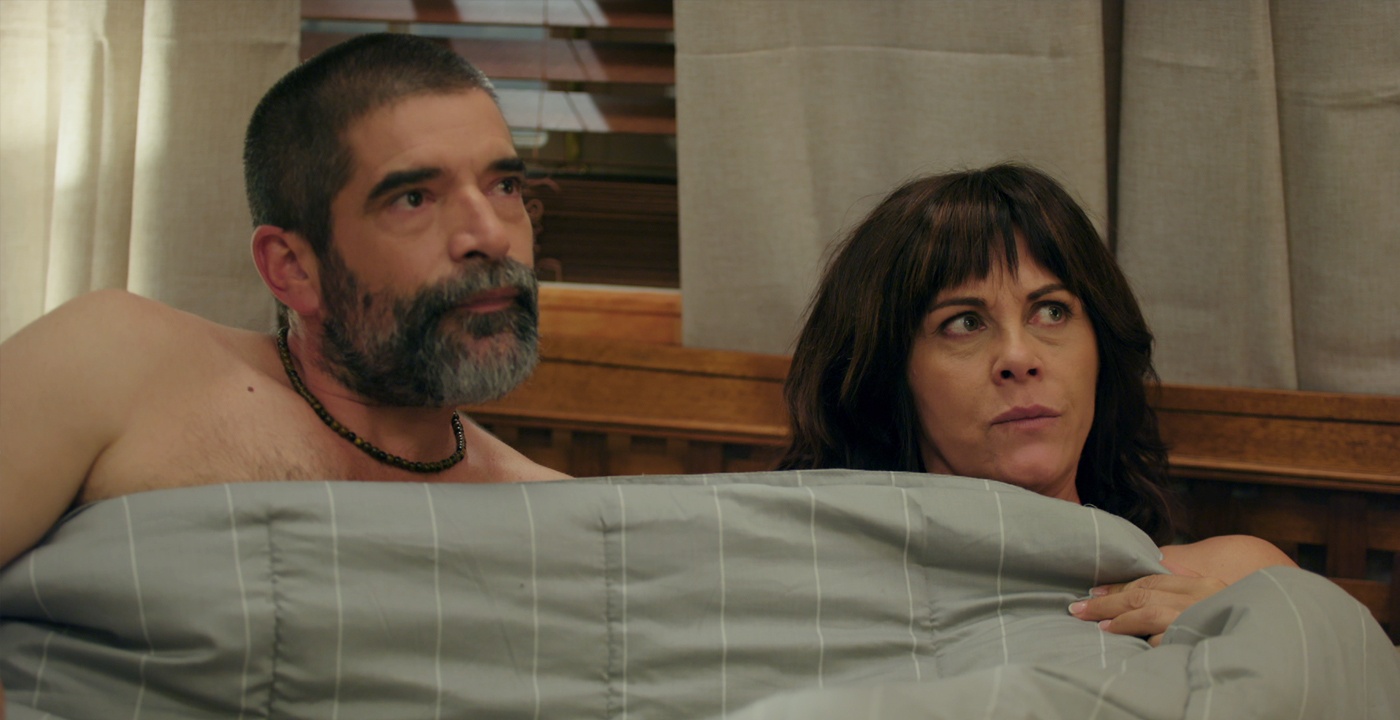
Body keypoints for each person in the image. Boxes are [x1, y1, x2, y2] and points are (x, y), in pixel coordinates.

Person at [0, 33, 568, 570]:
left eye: (504, 187)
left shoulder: (551, 516)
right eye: (414, 198)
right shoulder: (115, 366)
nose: (490, 236)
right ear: (293, 268)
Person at [778, 163, 1296, 644]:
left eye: (1051, 312)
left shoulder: (1237, 579)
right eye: (964, 323)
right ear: (886, 379)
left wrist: (1245, 644)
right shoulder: (812, 595)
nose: (1019, 357)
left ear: (1102, 350)